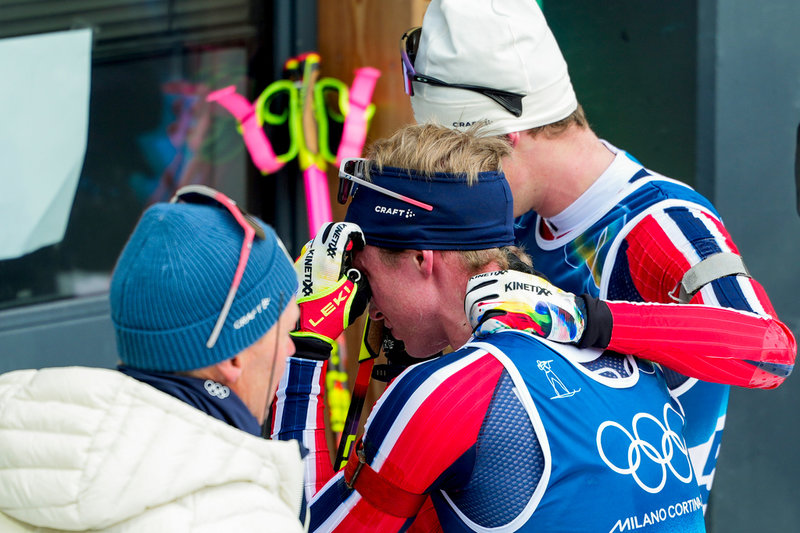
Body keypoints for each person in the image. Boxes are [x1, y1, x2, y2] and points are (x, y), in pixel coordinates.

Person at [400, 0, 796, 507]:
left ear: (507, 136)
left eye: (458, 163)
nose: (453, 184)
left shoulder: (661, 222)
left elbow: (768, 351)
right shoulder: (517, 219)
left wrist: (581, 319)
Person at [273, 124, 706, 532]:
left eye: (365, 276)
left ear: (422, 259)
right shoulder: (613, 343)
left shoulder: (451, 393)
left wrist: (304, 347)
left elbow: (300, 526)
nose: (370, 309)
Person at [0, 186, 306, 532]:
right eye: (285, 331)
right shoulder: (249, 519)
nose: (290, 349)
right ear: (234, 356)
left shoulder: (23, 448)